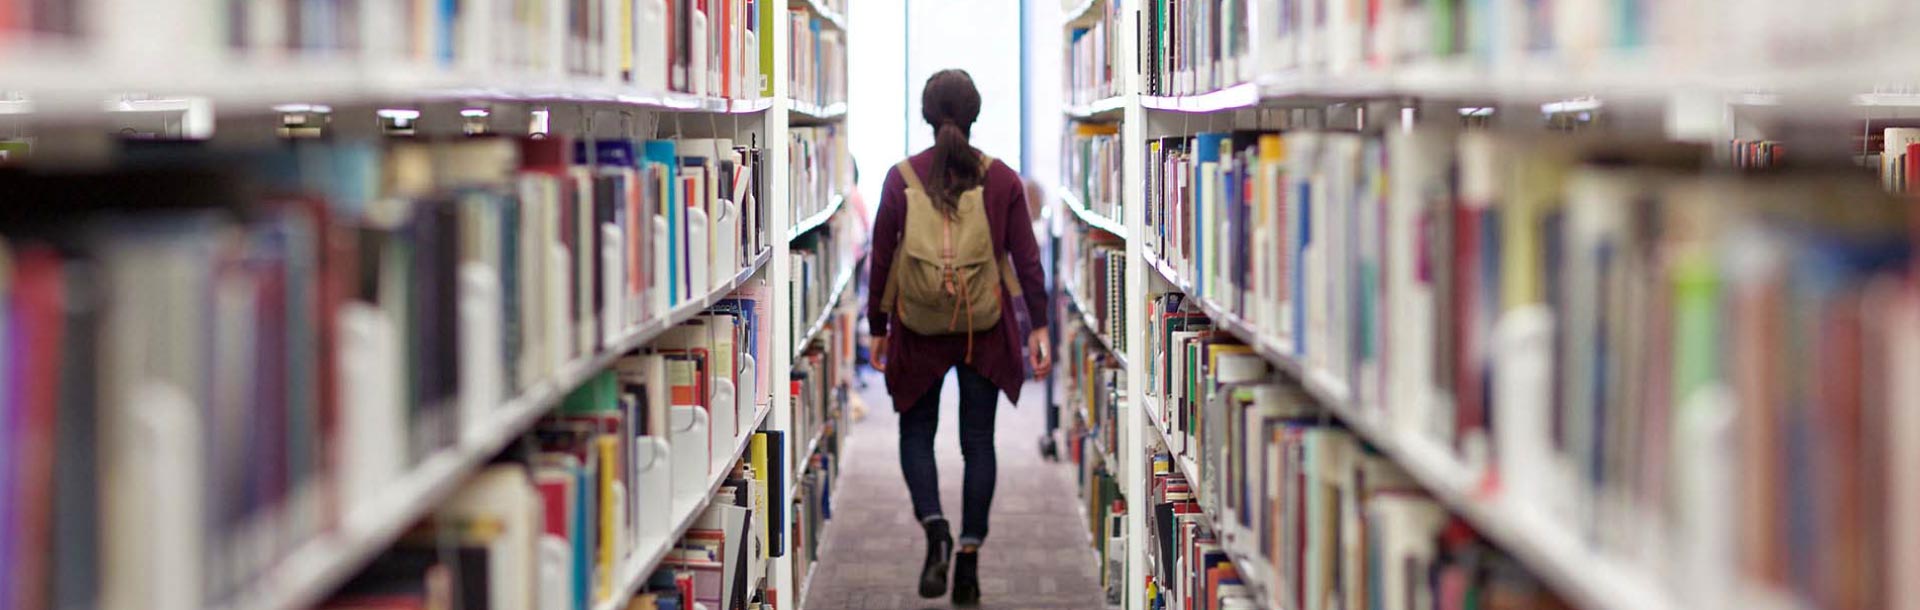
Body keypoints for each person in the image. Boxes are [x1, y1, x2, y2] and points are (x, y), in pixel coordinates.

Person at [865, 69, 1051, 606]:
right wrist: (1037, 325)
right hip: (981, 328)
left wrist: (878, 329)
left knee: (915, 435)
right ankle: (968, 560)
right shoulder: (1003, 180)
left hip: (919, 329)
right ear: (975, 115)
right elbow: (1027, 260)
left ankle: (936, 529)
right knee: (978, 444)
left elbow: (882, 259)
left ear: (927, 116)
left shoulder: (900, 177)